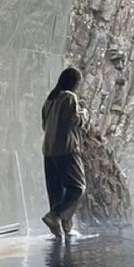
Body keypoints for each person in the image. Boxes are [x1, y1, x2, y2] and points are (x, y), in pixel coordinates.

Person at [41, 67, 87, 239]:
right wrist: (85, 114)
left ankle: (62, 229)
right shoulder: (69, 97)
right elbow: (73, 121)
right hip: (66, 150)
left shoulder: (50, 100)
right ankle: (55, 216)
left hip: (48, 151)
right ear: (74, 82)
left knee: (56, 191)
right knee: (77, 187)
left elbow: (45, 126)